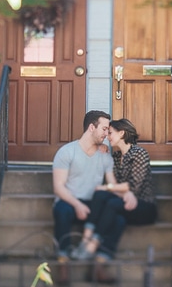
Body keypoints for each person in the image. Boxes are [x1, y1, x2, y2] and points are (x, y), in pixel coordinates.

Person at [70, 118, 158, 281]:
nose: (107, 136)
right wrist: (123, 192)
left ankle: (92, 244)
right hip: (124, 204)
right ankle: (96, 260)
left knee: (108, 200)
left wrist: (113, 189)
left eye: (110, 133)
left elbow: (133, 186)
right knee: (114, 215)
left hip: (145, 207)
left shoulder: (139, 154)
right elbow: (120, 187)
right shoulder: (117, 157)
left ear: (122, 133)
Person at [51, 110, 120, 283]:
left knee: (118, 218)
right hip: (70, 202)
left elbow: (112, 184)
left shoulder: (104, 155)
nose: (107, 134)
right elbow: (58, 188)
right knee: (62, 210)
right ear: (91, 127)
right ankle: (63, 264)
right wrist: (77, 205)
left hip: (94, 206)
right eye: (104, 129)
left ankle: (98, 266)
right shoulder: (67, 152)